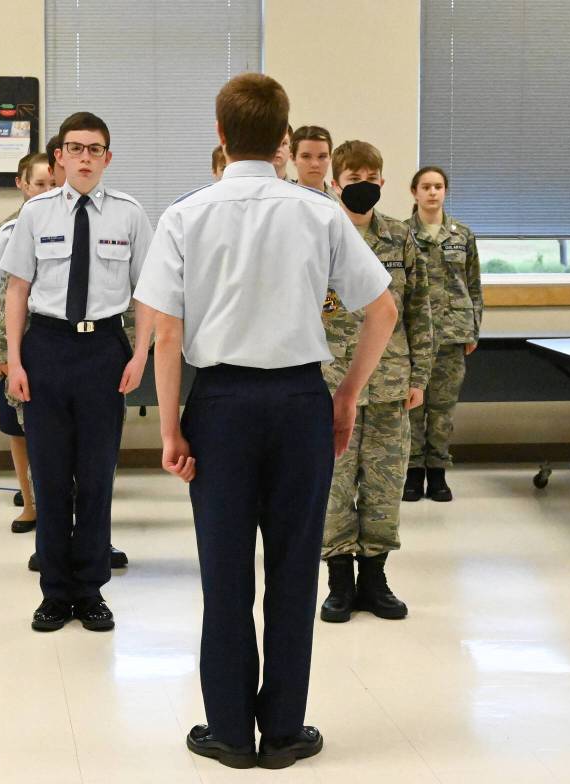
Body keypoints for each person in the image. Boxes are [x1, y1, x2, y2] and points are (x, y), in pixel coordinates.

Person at [134, 73, 397, 770]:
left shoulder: (185, 216)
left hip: (219, 405)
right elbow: (383, 311)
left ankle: (228, 730)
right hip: (298, 403)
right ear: (284, 141)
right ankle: (283, 730)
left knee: (224, 573)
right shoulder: (318, 214)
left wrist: (170, 430)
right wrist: (344, 399)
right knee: (291, 571)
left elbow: (165, 332)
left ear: (220, 136)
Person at [1, 112, 154, 633]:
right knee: (48, 474)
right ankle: (54, 591)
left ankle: (89, 590)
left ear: (107, 158)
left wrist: (139, 355)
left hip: (103, 350)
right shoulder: (37, 213)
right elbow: (17, 291)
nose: (85, 158)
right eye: (75, 148)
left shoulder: (130, 214)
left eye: (95, 149)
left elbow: (148, 295)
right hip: (46, 347)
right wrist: (16, 361)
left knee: (94, 476)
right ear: (59, 156)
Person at [318, 140, 433, 624]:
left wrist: (421, 374)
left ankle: (376, 577)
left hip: (389, 384)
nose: (364, 183)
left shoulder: (401, 238)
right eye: (354, 175)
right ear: (335, 181)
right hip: (328, 382)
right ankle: (339, 581)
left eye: (372, 175)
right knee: (334, 486)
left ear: (383, 181)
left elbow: (418, 309)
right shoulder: (319, 232)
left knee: (385, 486)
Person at [0, 152, 54, 533]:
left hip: (50, 343)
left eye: (51, 184)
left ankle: (56, 502)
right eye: (39, 183)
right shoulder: (9, 230)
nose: (46, 190)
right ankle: (29, 502)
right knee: (18, 430)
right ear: (22, 185)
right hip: (14, 344)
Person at [403, 166, 482, 502]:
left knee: (442, 410)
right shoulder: (402, 233)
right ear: (414, 192)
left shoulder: (461, 235)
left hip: (452, 334)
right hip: (411, 336)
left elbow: (475, 286)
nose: (432, 192)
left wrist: (473, 329)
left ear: (445, 192)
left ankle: (437, 474)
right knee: (412, 409)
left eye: (438, 187)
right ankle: (412, 474)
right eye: (426, 187)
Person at [291, 125, 338, 199]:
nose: (315, 164)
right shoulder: (281, 199)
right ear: (293, 158)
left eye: (322, 156)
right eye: (306, 156)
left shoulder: (341, 205)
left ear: (330, 158)